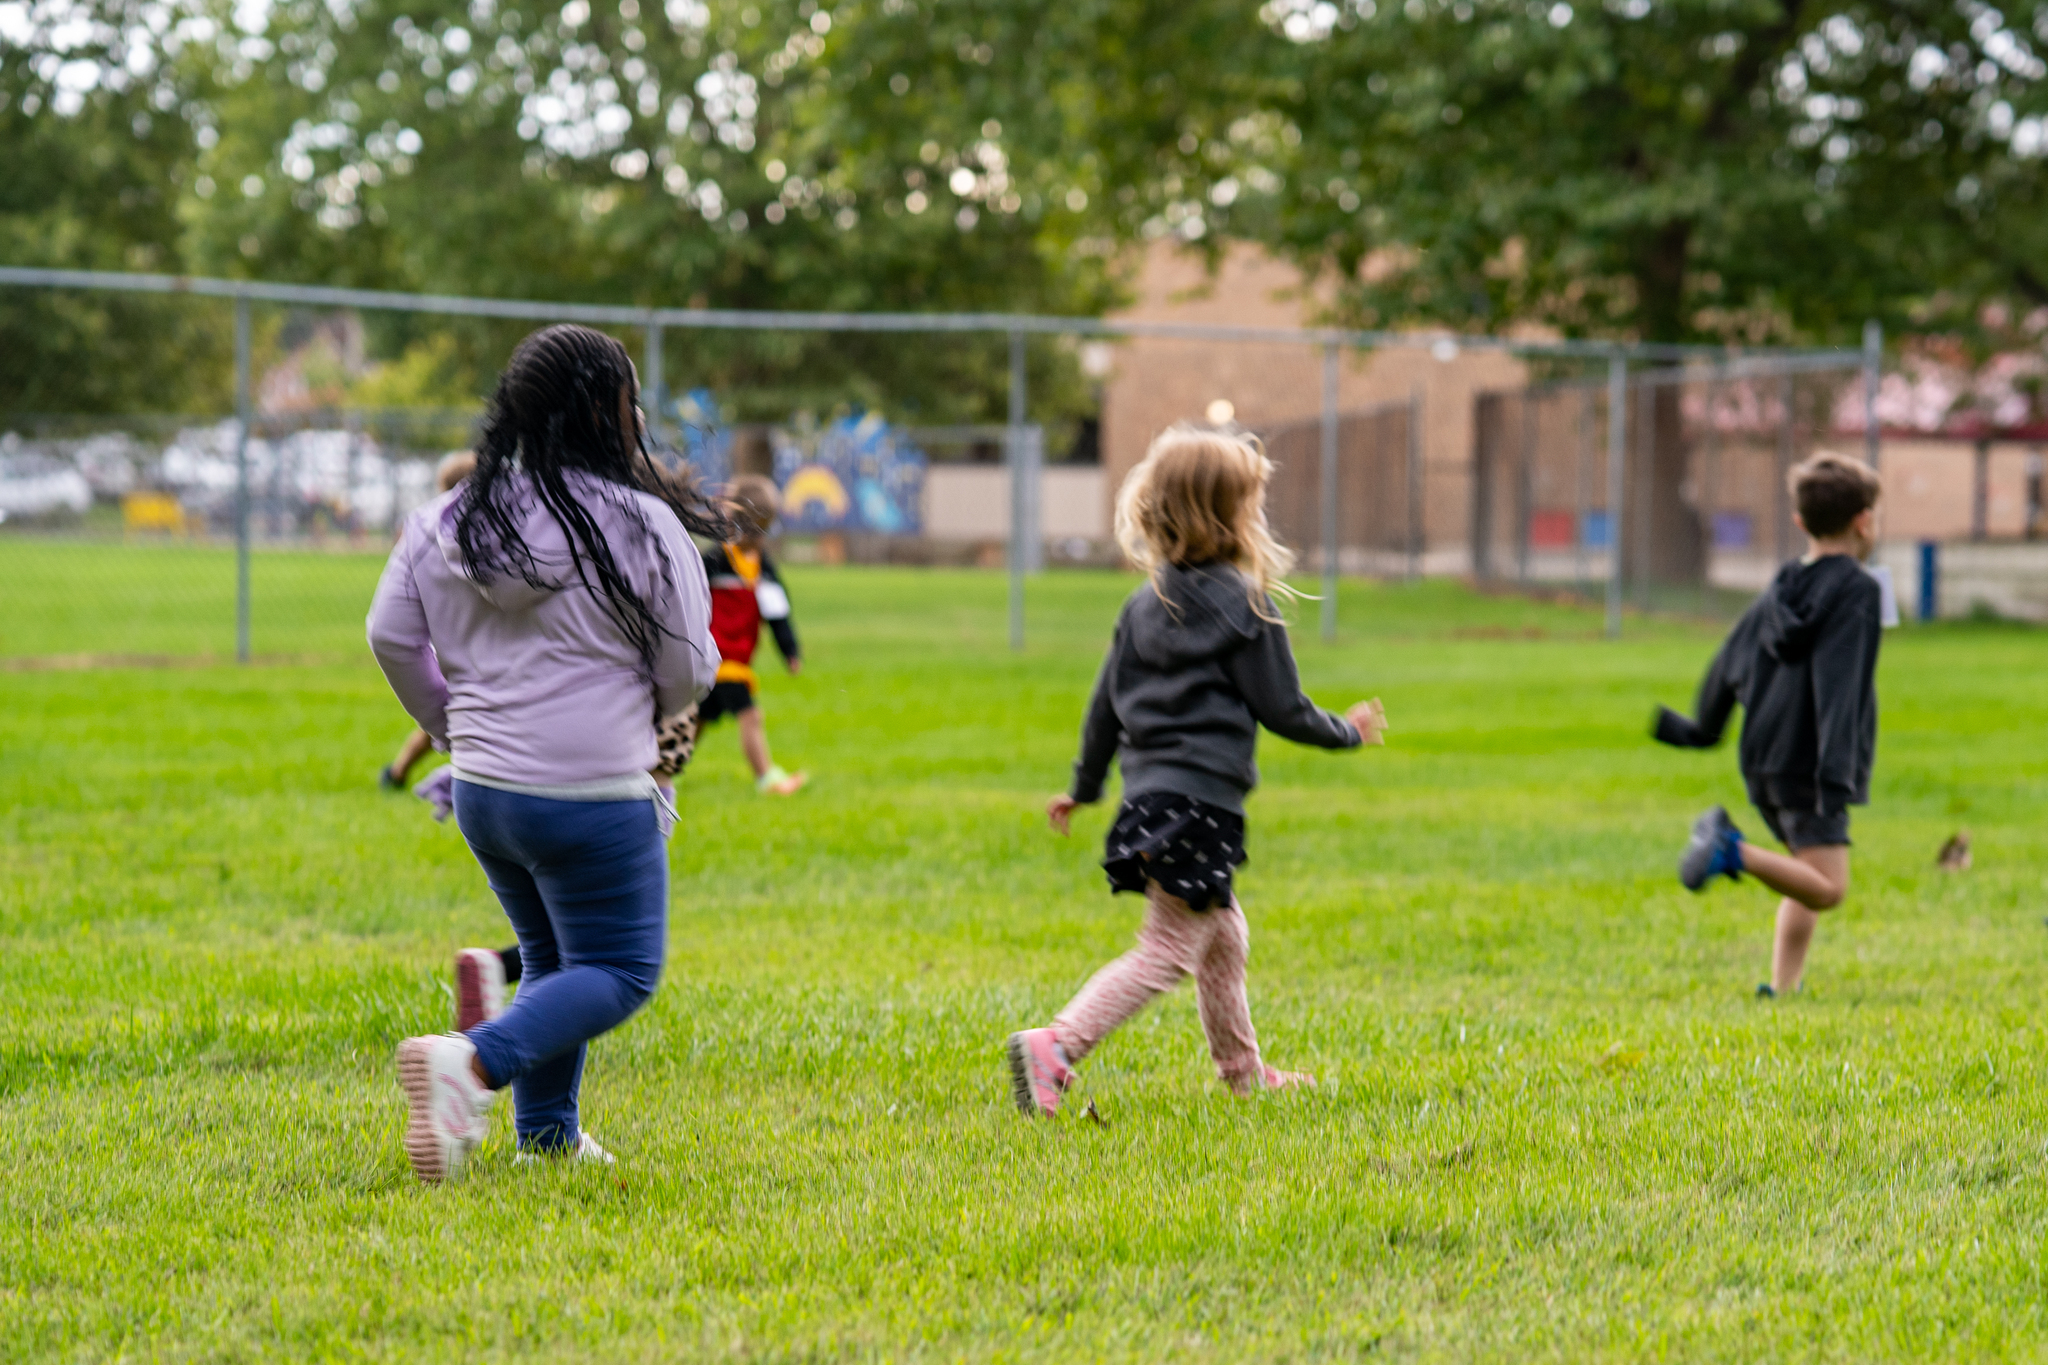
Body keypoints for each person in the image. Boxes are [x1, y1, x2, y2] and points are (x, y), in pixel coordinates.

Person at [368, 323, 725, 1182]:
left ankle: (550, 1135)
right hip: (595, 789)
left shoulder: (445, 518)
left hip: (486, 793)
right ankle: (474, 1064)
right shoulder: (641, 522)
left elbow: (388, 635)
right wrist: (650, 717)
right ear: (614, 412)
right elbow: (689, 665)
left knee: (557, 958)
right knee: (622, 968)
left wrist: (453, 728)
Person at [1006, 424, 1389, 1117]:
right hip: (1200, 808)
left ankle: (1243, 1069)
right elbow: (1284, 708)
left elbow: (1103, 709)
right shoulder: (1247, 605)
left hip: (1149, 801)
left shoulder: (1141, 606)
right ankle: (1056, 1044)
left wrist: (1085, 787)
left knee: (1223, 933)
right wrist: (1349, 732)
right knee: (1168, 949)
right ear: (1233, 514)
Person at [1656, 451, 1885, 998]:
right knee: (1828, 887)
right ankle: (1729, 850)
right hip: (1811, 762)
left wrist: (1699, 728)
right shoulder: (1859, 590)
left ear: (1801, 522)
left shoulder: (1781, 586)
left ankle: (1783, 989)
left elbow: (1729, 658)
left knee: (1803, 869)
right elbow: (1840, 684)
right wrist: (1836, 773)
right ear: (1865, 520)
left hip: (1763, 757)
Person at [699, 472, 808, 795]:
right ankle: (767, 779)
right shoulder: (714, 561)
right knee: (751, 716)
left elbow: (778, 614)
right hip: (717, 657)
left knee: (696, 721)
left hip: (736, 661)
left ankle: (663, 766)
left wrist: (790, 651)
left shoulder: (764, 568)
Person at [378, 451, 478, 792]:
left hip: (444, 642)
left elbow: (388, 629)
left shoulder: (428, 529)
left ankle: (398, 771)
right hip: (477, 646)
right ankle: (399, 771)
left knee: (444, 715)